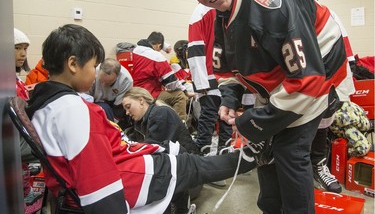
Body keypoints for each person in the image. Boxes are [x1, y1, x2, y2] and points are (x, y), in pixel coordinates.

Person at [177, 0, 353, 214]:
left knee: (289, 150)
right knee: (265, 151)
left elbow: (307, 80)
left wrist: (253, 122)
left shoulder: (270, 1)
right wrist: (230, 98)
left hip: (322, 73)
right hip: (284, 82)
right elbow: (226, 69)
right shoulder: (222, 14)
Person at [25, 24, 259, 214]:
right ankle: (254, 157)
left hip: (125, 166)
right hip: (130, 177)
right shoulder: (75, 111)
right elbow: (99, 188)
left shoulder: (45, 103)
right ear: (73, 64)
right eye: (93, 66)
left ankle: (250, 157)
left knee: (173, 151)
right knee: (194, 165)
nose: (95, 73)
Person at [289, 0, 356, 193]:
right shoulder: (284, 14)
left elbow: (343, 53)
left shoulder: (328, 14)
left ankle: (318, 164)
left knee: (321, 123)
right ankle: (295, 168)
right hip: (294, 83)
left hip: (324, 80)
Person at [122, 86, 199, 213]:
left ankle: (182, 209)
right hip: (184, 171)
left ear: (141, 100)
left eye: (128, 106)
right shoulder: (141, 121)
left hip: (190, 175)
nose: (127, 112)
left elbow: (156, 152)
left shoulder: (160, 114)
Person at [187, 4, 233, 155]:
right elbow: (196, 47)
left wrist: (200, 81)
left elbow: (195, 47)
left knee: (218, 117)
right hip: (219, 75)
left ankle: (210, 155)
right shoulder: (206, 10)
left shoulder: (204, 11)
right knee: (219, 117)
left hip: (215, 75)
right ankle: (208, 155)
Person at [132, 31, 194, 121]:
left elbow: (151, 41)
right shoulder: (157, 57)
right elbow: (172, 83)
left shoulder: (137, 49)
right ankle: (178, 129)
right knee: (180, 96)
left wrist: (163, 47)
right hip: (150, 93)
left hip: (138, 90)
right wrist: (186, 92)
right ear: (158, 45)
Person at [14, 28, 44, 210]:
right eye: (17, 48)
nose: (23, 54)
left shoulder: (15, 77)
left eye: (25, 48)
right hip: (15, 138)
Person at [88, 57, 133, 124]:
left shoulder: (126, 81)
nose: (103, 85)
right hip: (93, 101)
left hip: (114, 103)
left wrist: (113, 125)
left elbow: (118, 108)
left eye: (109, 82)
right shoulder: (92, 72)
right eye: (101, 81)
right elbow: (85, 97)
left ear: (118, 76)